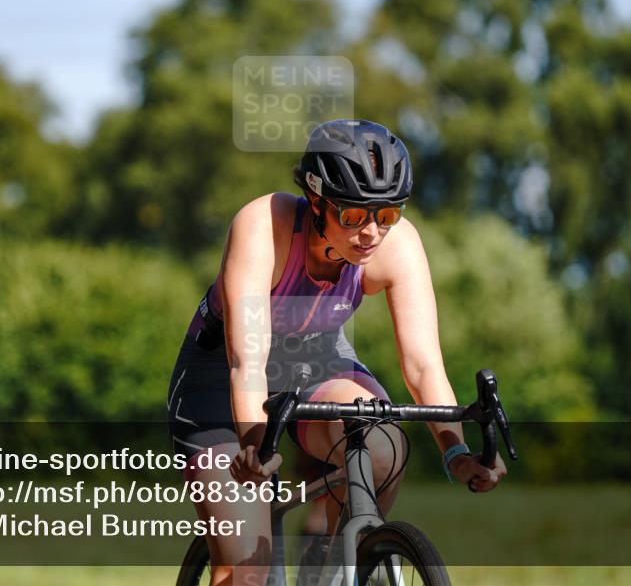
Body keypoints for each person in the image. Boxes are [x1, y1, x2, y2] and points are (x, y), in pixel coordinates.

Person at [166, 119, 506, 586]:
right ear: (317, 200)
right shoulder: (263, 225)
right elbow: (247, 362)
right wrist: (252, 446)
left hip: (317, 360)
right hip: (221, 375)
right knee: (246, 572)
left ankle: (330, 567)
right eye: (353, 216)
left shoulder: (397, 245)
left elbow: (423, 364)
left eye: (387, 215)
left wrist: (457, 453)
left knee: (383, 442)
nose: (371, 233)